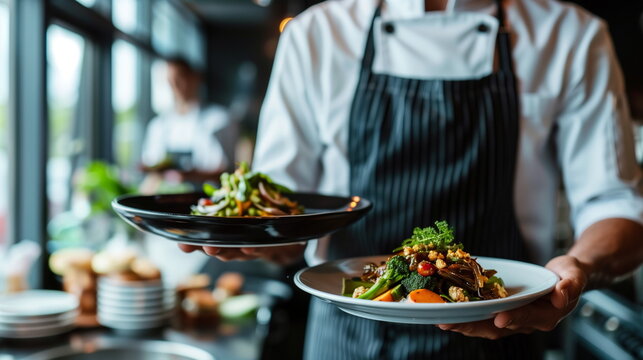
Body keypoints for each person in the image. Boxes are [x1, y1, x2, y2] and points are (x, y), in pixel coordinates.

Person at [180, 0, 643, 358]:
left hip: (503, 329)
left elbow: (617, 205)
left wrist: (578, 267)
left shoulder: (570, 36)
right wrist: (258, 237)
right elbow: (289, 211)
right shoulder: (316, 35)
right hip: (346, 338)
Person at [141, 57, 238, 186]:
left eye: (180, 78)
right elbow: (151, 166)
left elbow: (227, 171)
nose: (175, 86)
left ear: (195, 78)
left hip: (207, 199)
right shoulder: (158, 125)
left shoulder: (219, 119)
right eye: (170, 81)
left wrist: (188, 175)